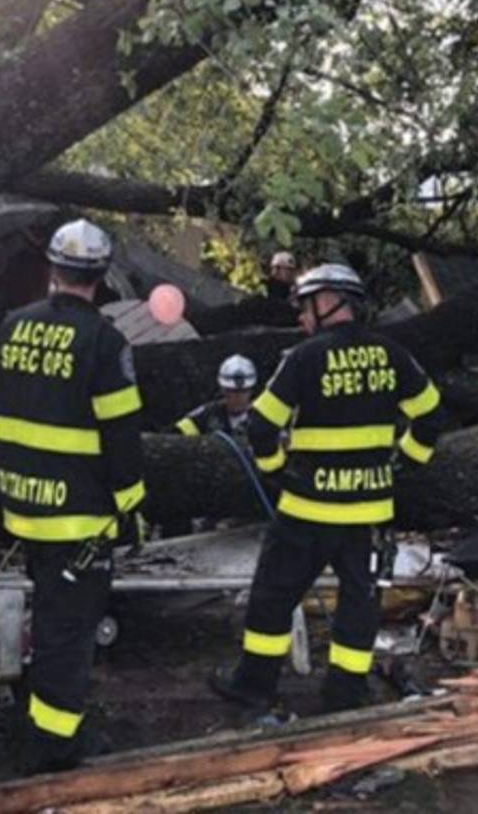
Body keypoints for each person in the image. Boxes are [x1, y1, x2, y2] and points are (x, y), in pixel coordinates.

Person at [210, 263, 442, 713]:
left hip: (306, 511)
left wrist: (276, 471)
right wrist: (405, 464)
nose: (300, 317)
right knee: (359, 606)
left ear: (329, 301)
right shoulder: (391, 355)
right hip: (367, 515)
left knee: (273, 598)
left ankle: (254, 685)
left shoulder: (304, 358)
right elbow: (430, 415)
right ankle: (345, 694)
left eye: (304, 306)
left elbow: (260, 424)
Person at [0, 218, 146, 774]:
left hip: (23, 511)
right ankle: (57, 743)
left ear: (53, 269)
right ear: (101, 277)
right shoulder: (106, 343)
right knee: (68, 636)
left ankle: (38, 715)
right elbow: (121, 437)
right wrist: (130, 509)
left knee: (47, 622)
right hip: (78, 523)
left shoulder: (10, 327)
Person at [174, 354, 258, 445]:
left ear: (251, 390)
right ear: (223, 390)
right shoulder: (205, 416)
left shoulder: (261, 418)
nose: (238, 397)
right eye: (232, 391)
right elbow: (175, 439)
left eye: (243, 391)